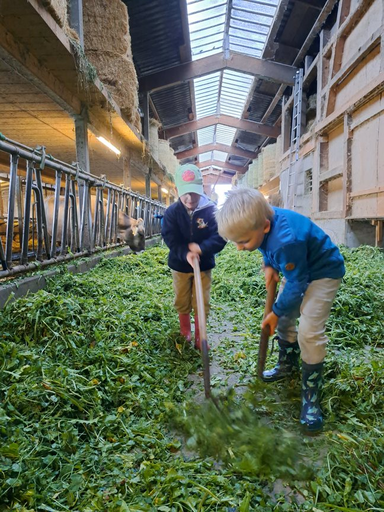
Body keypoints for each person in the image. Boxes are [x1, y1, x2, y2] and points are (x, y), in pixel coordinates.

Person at [215, 188, 345, 432]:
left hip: (322, 273)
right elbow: (265, 246)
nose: (240, 248)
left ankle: (311, 394)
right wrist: (268, 264)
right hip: (297, 269)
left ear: (265, 226)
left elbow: (297, 284)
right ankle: (288, 363)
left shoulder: (286, 240)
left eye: (243, 242)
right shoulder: (264, 224)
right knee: (285, 317)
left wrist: (274, 312)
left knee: (309, 330)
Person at [161, 164, 226, 349]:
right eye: (185, 193)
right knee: (181, 298)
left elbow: (220, 237)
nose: (190, 199)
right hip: (180, 266)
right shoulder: (172, 212)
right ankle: (185, 331)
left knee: (201, 300)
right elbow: (170, 238)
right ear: (176, 190)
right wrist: (185, 253)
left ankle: (200, 335)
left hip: (203, 266)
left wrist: (201, 249)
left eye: (194, 193)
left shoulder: (211, 211)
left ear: (202, 188)